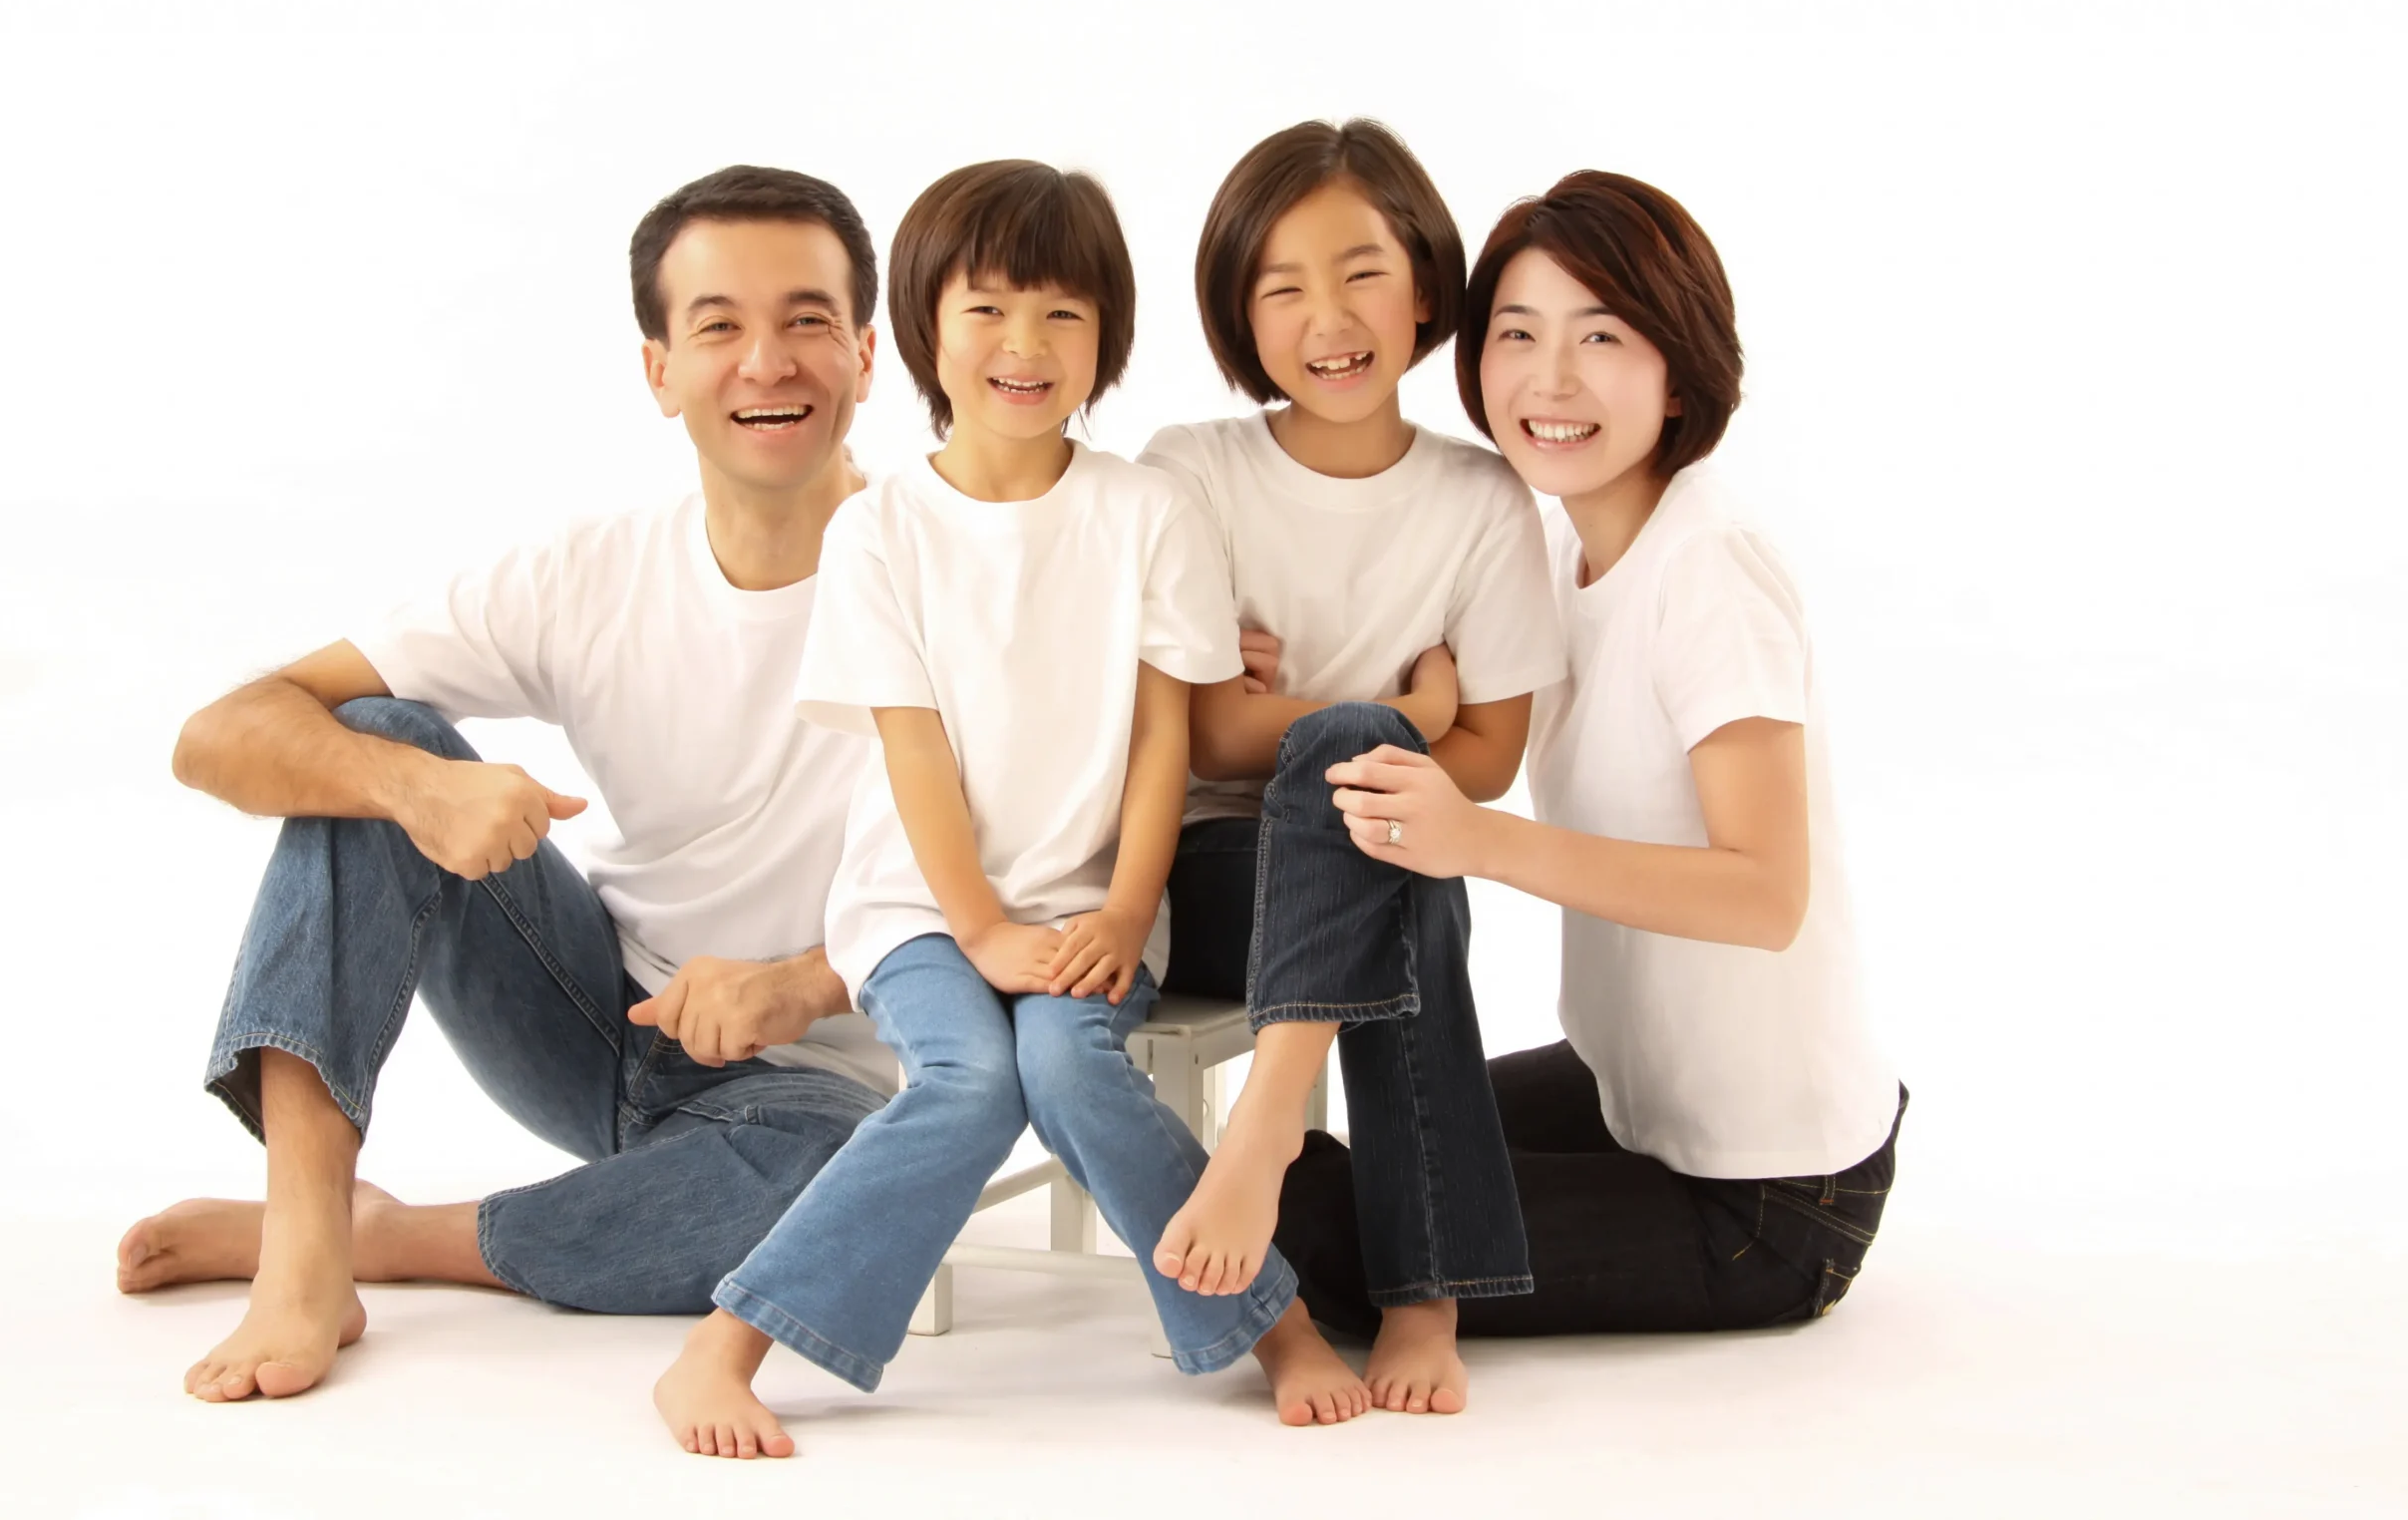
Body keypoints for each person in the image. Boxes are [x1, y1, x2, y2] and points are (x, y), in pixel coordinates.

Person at [117, 166, 901, 1405]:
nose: (767, 362)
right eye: (718, 327)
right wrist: (412, 788)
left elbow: (1037, 889)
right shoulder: (589, 574)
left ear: (865, 352)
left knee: (838, 1195)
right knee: (371, 740)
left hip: (813, 1086)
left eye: (807, 320)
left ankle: (390, 1237)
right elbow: (219, 735)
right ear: (659, 371)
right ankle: (306, 1235)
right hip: (595, 1020)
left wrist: (802, 983)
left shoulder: (950, 577)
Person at [653, 160, 1370, 1460]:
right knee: (972, 1077)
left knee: (1067, 1063)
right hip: (920, 907)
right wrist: (979, 927)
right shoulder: (881, 531)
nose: (1024, 345)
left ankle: (1273, 1327)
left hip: (1093, 902)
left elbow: (1163, 739)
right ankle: (727, 1341)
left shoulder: (1147, 512)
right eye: (986, 309)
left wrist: (1128, 910)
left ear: (1106, 338)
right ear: (922, 331)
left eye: (1061, 314)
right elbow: (914, 750)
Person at [1290, 169, 1905, 1335]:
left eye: (1602, 336)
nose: (1551, 379)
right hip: (1627, 1090)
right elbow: (1454, 712)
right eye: (1517, 334)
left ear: (1680, 367)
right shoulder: (1558, 551)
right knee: (1360, 1136)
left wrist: (1480, 842)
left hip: (1765, 1191)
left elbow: (1765, 895)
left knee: (1315, 1228)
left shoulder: (1707, 568)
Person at [1140, 120, 1566, 1415]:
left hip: (1381, 867)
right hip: (1215, 875)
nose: (1327, 318)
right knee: (1377, 789)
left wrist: (1331, 722)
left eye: (1361, 272)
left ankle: (1272, 1127)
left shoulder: (1482, 500)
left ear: (1425, 286)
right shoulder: (1193, 470)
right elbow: (1208, 738)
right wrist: (1407, 709)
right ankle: (1420, 1291)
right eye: (1282, 287)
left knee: (1400, 845)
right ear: (1240, 315)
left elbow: (1490, 759)